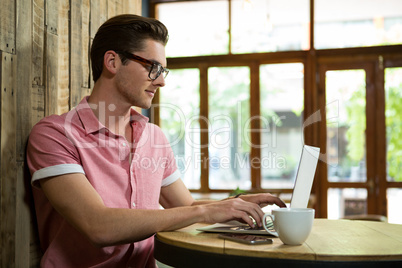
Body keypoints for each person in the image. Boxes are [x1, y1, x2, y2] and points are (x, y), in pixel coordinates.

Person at [27, 14, 286, 267]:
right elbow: (98, 226)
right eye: (153, 68)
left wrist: (233, 207)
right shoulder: (55, 135)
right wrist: (205, 212)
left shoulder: (154, 137)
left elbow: (187, 207)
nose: (161, 81)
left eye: (163, 70)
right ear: (112, 62)